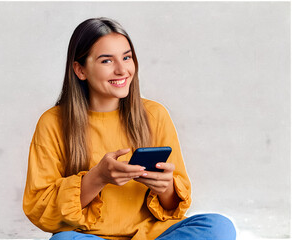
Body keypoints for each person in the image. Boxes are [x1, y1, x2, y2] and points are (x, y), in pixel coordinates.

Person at [23, 17, 236, 240]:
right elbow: (40, 209)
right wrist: (98, 177)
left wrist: (164, 187)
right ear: (80, 70)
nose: (122, 69)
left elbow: (175, 207)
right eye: (107, 61)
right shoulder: (53, 122)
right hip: (91, 237)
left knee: (219, 226)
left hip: (151, 235)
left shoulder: (155, 114)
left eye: (127, 57)